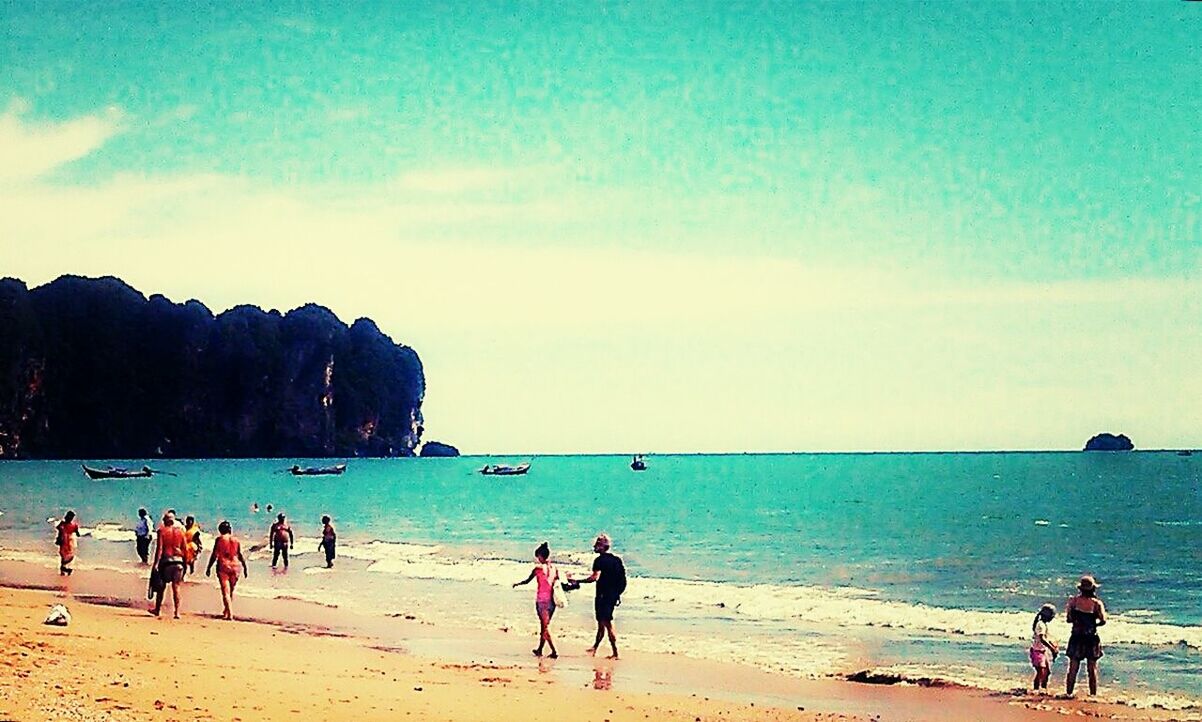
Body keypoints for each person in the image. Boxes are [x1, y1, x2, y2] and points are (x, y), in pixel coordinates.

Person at [569, 533, 626, 659]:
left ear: (601, 546)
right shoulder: (617, 560)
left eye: (596, 544)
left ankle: (615, 653)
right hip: (612, 596)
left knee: (607, 624)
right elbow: (621, 579)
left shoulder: (599, 561)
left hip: (602, 596)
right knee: (601, 623)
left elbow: (594, 578)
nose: (594, 547)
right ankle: (595, 648)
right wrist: (617, 594)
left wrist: (578, 581)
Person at [513, 541, 560, 658]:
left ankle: (554, 651)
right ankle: (539, 649)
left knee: (545, 628)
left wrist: (518, 584)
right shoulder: (555, 568)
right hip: (552, 602)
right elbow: (558, 583)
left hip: (542, 601)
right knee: (544, 627)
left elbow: (527, 580)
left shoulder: (538, 569)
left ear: (540, 556)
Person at [1065, 575, 1107, 696]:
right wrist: (1093, 625)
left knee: (1073, 668)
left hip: (1076, 636)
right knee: (1092, 669)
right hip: (1091, 637)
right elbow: (1103, 620)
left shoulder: (1073, 601)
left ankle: (1069, 693)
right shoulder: (1097, 604)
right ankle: (1093, 695)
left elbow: (1069, 619)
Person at [206, 521, 248, 620]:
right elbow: (239, 554)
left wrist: (209, 567)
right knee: (231, 591)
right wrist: (245, 567)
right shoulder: (236, 540)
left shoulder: (220, 539)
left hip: (223, 566)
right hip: (236, 566)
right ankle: (226, 611)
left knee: (226, 592)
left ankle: (230, 614)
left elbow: (214, 555)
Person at [152, 511, 188, 618]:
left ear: (164, 521)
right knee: (176, 587)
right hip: (179, 562)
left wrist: (155, 564)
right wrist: (185, 564)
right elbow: (185, 550)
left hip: (167, 562)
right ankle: (177, 612)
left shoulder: (162, 531)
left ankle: (157, 610)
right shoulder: (181, 532)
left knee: (161, 587)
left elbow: (160, 549)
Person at [1029, 603, 1058, 690]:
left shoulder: (1043, 624)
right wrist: (1052, 648)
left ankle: (1043, 688)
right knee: (1040, 672)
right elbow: (1042, 639)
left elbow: (1045, 638)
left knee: (1047, 672)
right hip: (1037, 652)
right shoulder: (1040, 625)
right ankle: (1036, 689)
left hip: (1042, 651)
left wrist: (1053, 645)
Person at [55, 511, 80, 576]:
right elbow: (59, 531)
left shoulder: (74, 525)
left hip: (70, 540)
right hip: (64, 540)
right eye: (69, 517)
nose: (70, 518)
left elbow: (77, 533)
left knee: (70, 556)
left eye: (71, 517)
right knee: (63, 555)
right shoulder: (62, 524)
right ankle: (63, 570)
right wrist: (58, 539)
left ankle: (64, 569)